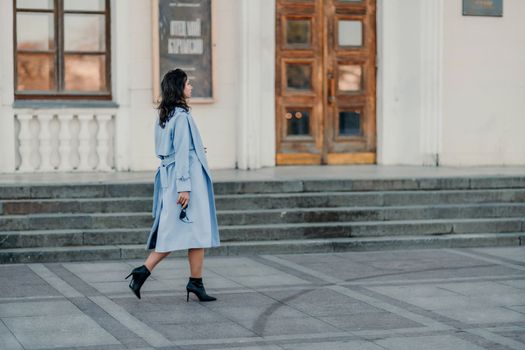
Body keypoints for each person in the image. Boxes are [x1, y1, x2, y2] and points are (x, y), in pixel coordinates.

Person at [125, 68, 220, 302]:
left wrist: (195, 151)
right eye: (187, 84)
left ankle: (195, 282)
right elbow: (179, 152)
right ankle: (144, 271)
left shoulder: (164, 116)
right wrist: (184, 187)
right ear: (179, 88)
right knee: (176, 233)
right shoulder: (182, 117)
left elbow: (170, 150)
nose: (191, 88)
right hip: (186, 183)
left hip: (172, 179)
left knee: (194, 233)